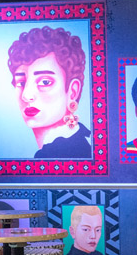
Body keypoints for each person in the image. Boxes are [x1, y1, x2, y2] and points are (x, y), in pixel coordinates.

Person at [7, 26, 91, 159]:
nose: (26, 95)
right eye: (21, 83)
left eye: (45, 82)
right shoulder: (74, 145)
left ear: (73, 91)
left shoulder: (69, 153)